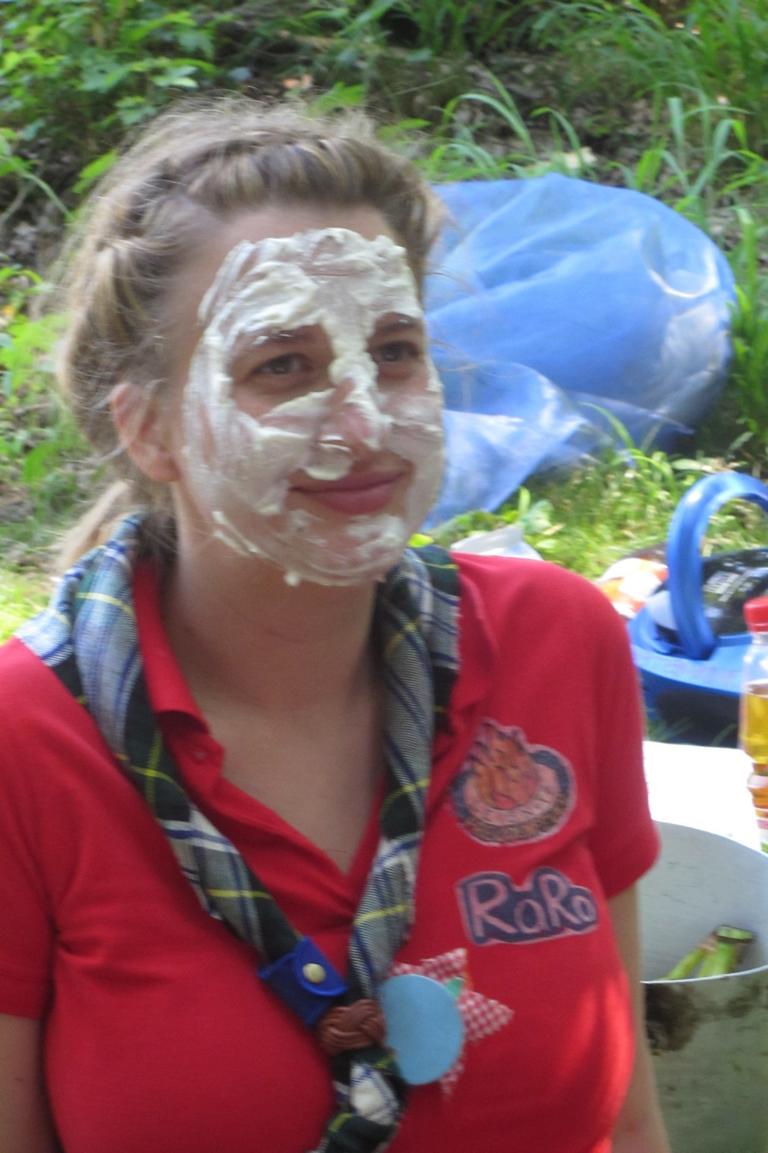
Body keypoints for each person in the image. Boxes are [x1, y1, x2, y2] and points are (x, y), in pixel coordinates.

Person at [0, 95, 671, 1153]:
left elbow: (627, 1117)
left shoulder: (557, 641)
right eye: (283, 365)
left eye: (394, 351)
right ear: (150, 428)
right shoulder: (26, 741)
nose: (365, 424)